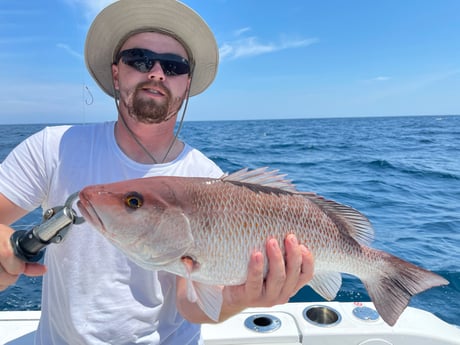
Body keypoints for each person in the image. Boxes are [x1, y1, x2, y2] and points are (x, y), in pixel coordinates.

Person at [0, 0, 314, 344]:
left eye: (174, 66)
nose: (156, 73)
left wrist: (240, 298)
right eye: (139, 60)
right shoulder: (53, 148)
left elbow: (192, 304)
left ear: (186, 85)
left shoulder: (210, 178)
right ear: (116, 73)